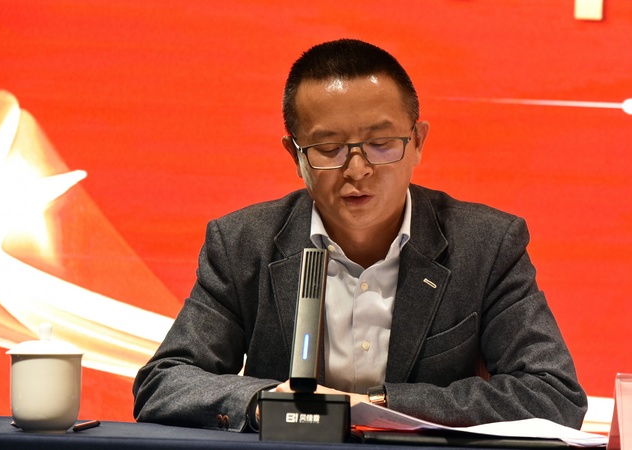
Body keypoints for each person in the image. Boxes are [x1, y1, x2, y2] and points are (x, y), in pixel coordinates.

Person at [132, 38, 587, 431]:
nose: (358, 169)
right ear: (295, 156)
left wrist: (378, 407)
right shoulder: (242, 243)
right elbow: (164, 382)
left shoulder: (485, 245)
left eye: (381, 144)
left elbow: (553, 394)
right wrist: (265, 403)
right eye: (329, 148)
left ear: (418, 142)